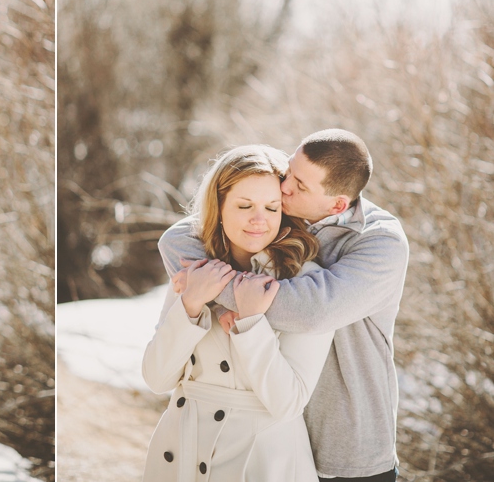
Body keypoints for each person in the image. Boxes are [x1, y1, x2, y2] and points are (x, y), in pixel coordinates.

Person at [161, 129, 409, 482]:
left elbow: (311, 312)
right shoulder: (282, 213)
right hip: (273, 435)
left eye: (300, 185)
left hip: (346, 447)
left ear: (337, 205)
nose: (284, 186)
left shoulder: (380, 242)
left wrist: (215, 288)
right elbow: (178, 239)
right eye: (289, 171)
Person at [142, 145, 335, 481]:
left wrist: (251, 324)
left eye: (272, 208)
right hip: (183, 450)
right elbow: (157, 379)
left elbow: (289, 403)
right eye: (244, 205)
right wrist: (190, 305)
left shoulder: (308, 282)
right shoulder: (195, 270)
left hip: (262, 462)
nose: (259, 220)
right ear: (218, 207)